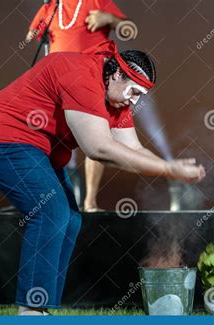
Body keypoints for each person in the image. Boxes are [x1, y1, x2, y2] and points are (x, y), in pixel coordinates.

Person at [0, 40, 206, 315]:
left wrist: (169, 168)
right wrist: (169, 170)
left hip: (39, 148)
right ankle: (31, 311)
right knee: (51, 213)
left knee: (70, 218)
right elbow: (99, 149)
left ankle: (40, 308)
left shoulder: (116, 99)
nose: (134, 101)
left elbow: (133, 149)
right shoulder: (82, 77)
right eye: (134, 91)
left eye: (140, 96)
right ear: (117, 74)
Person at [26, 0, 134, 211]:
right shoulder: (51, 6)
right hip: (59, 83)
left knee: (96, 138)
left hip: (91, 82)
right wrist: (38, 32)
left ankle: (90, 202)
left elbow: (130, 29)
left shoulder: (97, 1)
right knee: (54, 140)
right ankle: (55, 200)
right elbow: (32, 35)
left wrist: (110, 19)